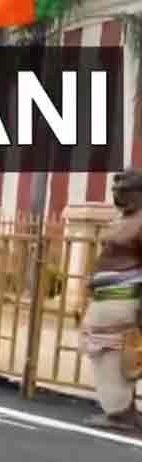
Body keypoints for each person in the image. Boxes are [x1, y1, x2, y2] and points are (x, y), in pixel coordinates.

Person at [81, 168, 142, 434]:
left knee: (115, 357)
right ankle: (124, 411)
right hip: (107, 301)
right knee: (113, 356)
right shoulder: (124, 219)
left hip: (124, 301)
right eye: (116, 187)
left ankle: (120, 415)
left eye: (124, 188)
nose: (117, 192)